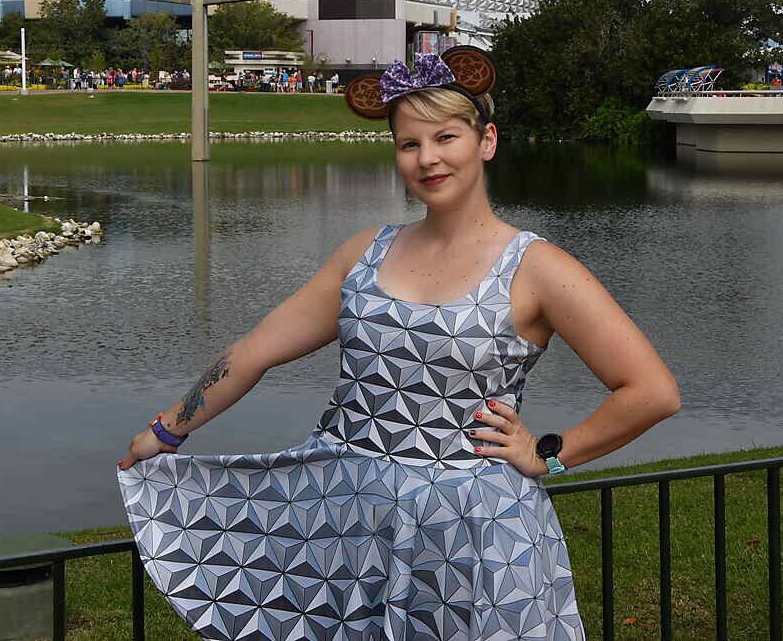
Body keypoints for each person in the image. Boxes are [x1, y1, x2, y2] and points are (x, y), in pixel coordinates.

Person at [117, 50, 680, 639]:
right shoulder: (366, 253)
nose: (427, 158)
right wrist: (166, 430)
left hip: (472, 532)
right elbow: (255, 350)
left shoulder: (537, 268)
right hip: (346, 522)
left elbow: (651, 392)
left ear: (486, 141)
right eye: (409, 144)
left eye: (446, 137)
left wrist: (547, 453)